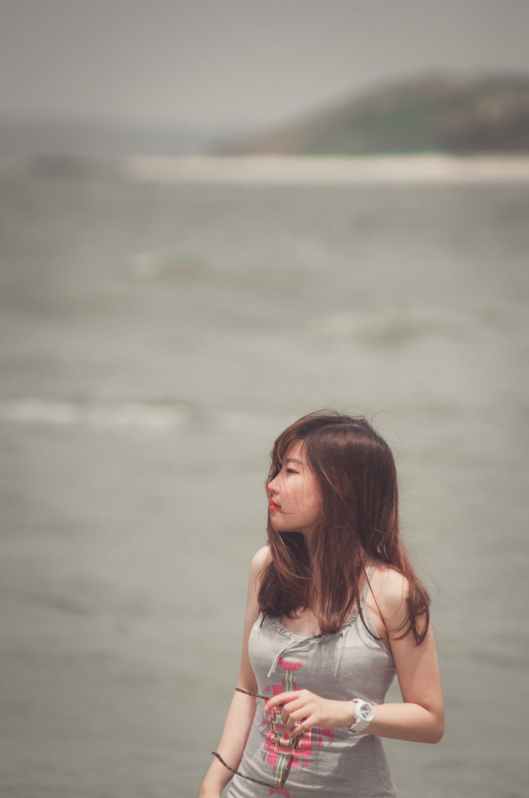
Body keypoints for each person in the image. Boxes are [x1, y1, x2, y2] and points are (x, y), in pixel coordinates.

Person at [198, 410, 444, 798]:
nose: (271, 486)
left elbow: (430, 719)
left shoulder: (393, 593)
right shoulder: (267, 568)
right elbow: (247, 691)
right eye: (276, 470)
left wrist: (346, 712)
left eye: (290, 472)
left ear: (339, 487)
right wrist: (214, 781)